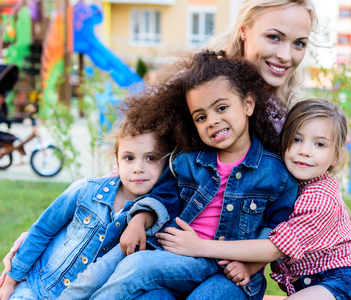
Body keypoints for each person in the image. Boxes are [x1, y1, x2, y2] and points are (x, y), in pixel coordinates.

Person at [2, 0, 351, 297]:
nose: (286, 54)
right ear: (245, 31)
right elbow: (137, 162)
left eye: (298, 43)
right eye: (274, 37)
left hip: (229, 266)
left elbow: (310, 205)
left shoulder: (286, 119)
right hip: (154, 242)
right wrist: (61, 232)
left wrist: (348, 274)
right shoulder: (200, 87)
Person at [54, 50, 298, 300]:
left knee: (145, 270)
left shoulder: (276, 173)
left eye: (221, 108)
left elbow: (277, 233)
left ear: (248, 104)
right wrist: (139, 220)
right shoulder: (188, 162)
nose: (212, 121)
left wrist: (251, 266)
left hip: (232, 271)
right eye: (201, 117)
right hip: (176, 257)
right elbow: (164, 197)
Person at [157, 98, 351, 300]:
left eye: (319, 144)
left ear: (336, 157)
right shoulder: (289, 182)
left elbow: (272, 248)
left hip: (338, 282)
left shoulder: (320, 198)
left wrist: (200, 246)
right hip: (314, 284)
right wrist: (249, 267)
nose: (304, 151)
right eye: (297, 139)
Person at [0, 109, 174, 300]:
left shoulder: (153, 215)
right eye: (129, 158)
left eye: (151, 158)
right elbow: (42, 231)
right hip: (36, 288)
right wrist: (10, 281)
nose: (138, 168)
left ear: (165, 163)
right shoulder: (86, 190)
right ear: (117, 160)